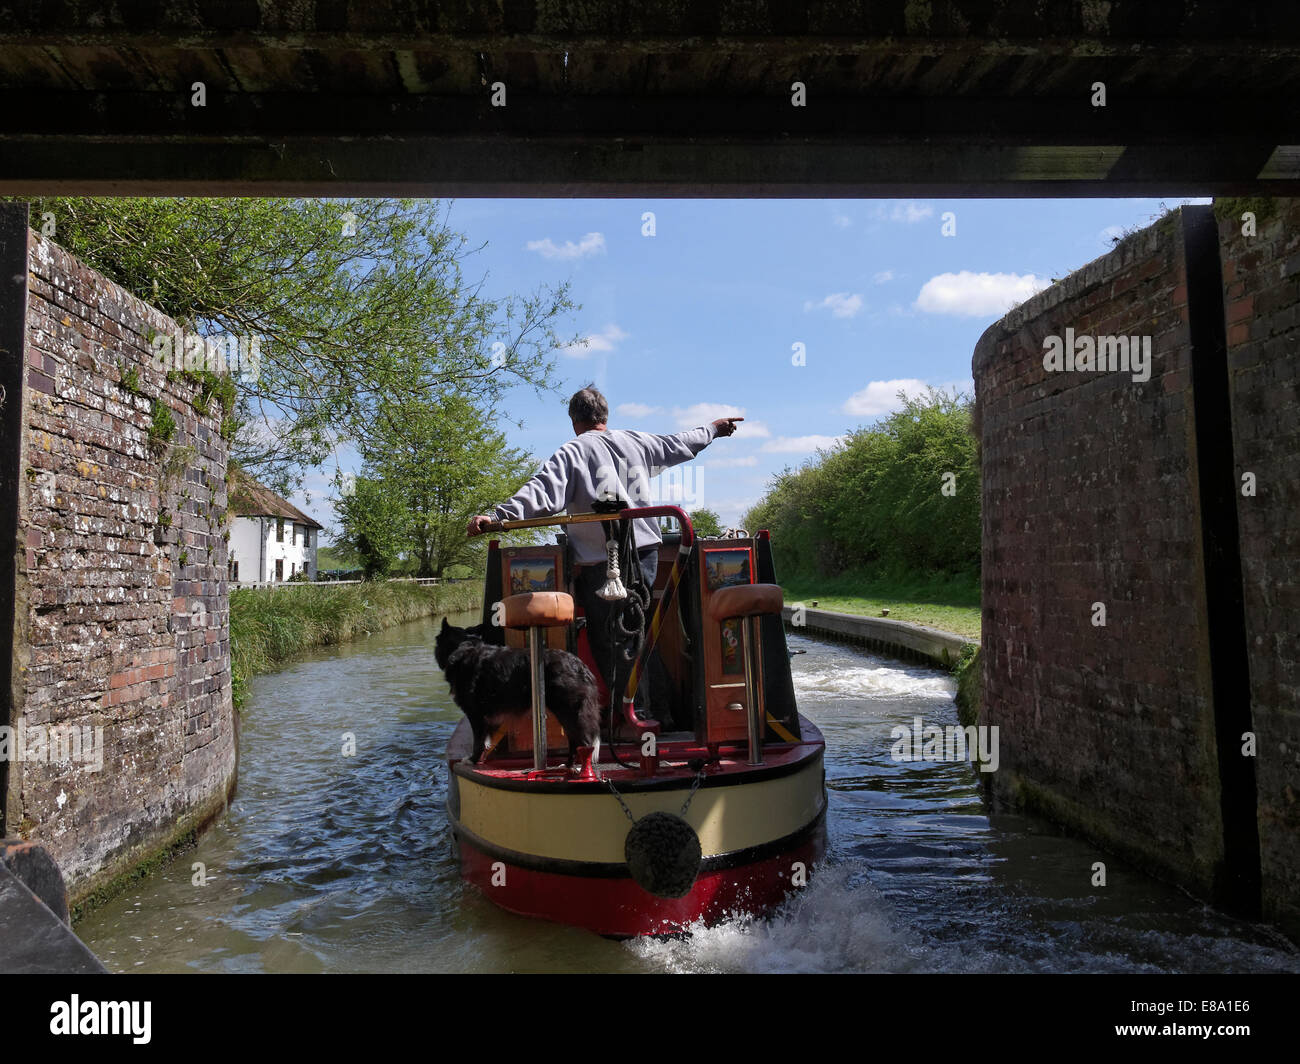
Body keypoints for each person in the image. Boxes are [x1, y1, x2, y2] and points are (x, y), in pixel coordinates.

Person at [467, 385, 741, 723]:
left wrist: (497, 517)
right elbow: (680, 443)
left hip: (603, 563)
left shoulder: (571, 452)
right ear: (605, 417)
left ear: (573, 421)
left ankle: (636, 715)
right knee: (636, 631)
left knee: (612, 640)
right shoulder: (636, 441)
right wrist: (713, 428)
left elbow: (540, 495)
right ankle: (656, 712)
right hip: (646, 556)